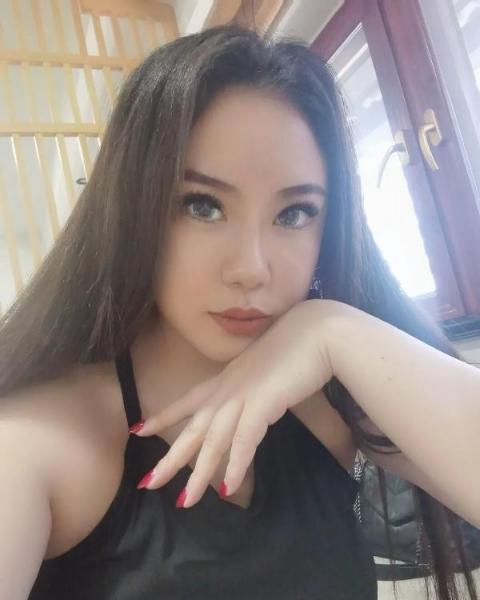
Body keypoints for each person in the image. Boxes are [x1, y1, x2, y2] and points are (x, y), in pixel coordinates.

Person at [0, 23, 478, 600]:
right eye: (202, 205)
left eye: (295, 214)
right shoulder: (43, 439)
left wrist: (333, 330)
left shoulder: (323, 407)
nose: (251, 268)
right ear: (132, 209)